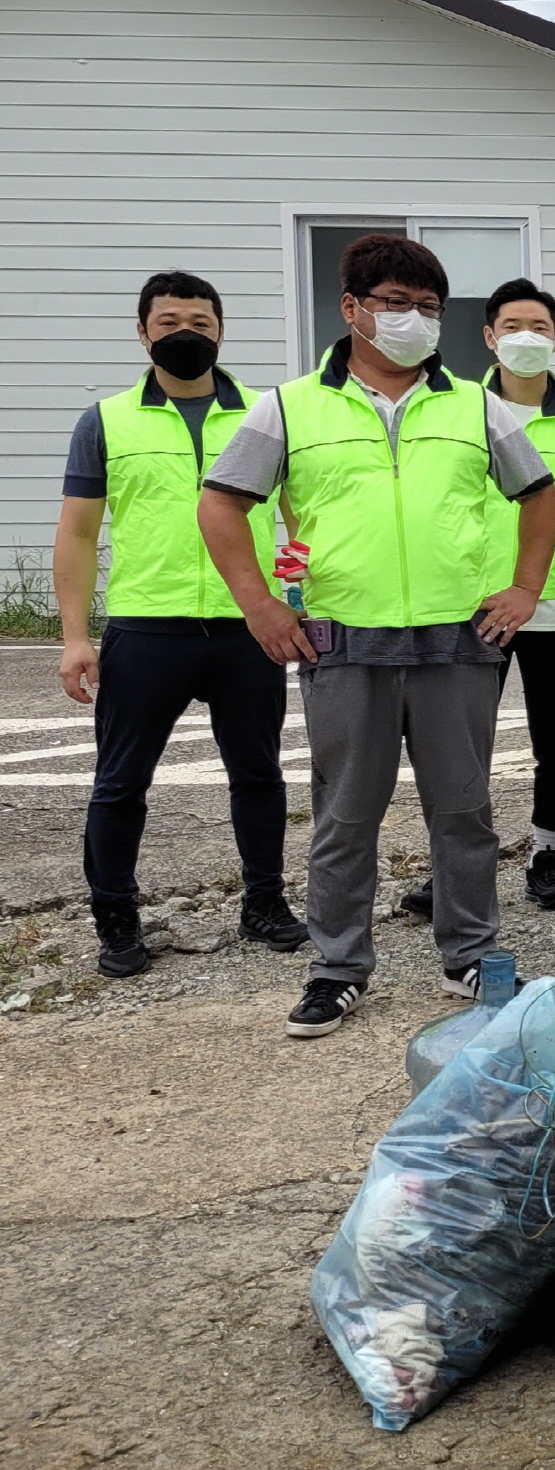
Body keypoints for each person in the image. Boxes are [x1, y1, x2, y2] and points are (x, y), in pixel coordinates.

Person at [196, 233, 555, 1040]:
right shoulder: (290, 407)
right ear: (352, 308)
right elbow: (222, 503)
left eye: (429, 308)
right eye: (396, 304)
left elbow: (539, 497)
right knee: (345, 816)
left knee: (463, 811)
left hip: (457, 640)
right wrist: (260, 604)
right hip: (343, 642)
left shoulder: (475, 404)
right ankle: (337, 968)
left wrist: (526, 587)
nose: (414, 320)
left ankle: (471, 953)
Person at [53, 270, 304, 977]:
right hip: (146, 627)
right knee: (120, 781)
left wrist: (298, 597)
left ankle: (263, 904)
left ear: (221, 330)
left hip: (245, 628)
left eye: (199, 320)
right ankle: (116, 918)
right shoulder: (105, 420)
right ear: (142, 333)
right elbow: (76, 534)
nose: (185, 333)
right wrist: (77, 636)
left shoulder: (266, 413)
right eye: (168, 322)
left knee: (257, 772)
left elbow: (299, 521)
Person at [396, 278, 555, 918]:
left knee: (554, 741)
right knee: (460, 747)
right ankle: (455, 866)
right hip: (472, 609)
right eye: (512, 327)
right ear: (488, 337)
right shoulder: (454, 412)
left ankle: (547, 855)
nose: (527, 339)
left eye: (540, 327)